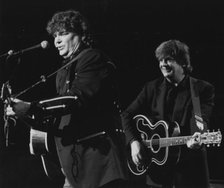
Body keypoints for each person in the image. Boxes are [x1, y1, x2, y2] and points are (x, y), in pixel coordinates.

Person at [6, 9, 128, 188]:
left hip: (99, 161)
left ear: (81, 34)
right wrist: (22, 113)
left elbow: (75, 99)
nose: (56, 40)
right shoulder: (63, 71)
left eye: (63, 33)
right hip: (74, 164)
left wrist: (31, 107)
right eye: (55, 35)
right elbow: (60, 117)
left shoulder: (92, 58)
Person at [121, 39, 215, 188]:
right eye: (161, 60)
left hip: (189, 166)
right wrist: (134, 142)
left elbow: (200, 118)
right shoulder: (151, 87)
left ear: (183, 63)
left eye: (168, 59)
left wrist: (198, 134)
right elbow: (126, 115)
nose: (163, 64)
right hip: (157, 171)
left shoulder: (202, 89)